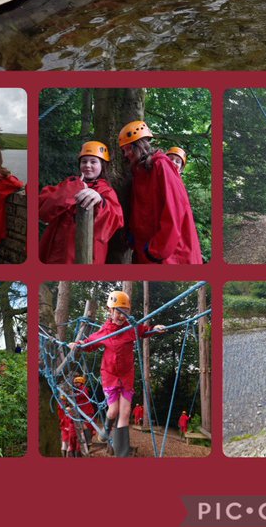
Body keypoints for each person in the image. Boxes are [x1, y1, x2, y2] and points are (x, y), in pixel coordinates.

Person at [70, 290, 165, 458]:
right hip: (110, 375)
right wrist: (77, 344)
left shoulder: (131, 328)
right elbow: (89, 343)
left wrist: (154, 329)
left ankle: (122, 455)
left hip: (127, 375)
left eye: (125, 312)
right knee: (113, 411)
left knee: (126, 412)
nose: (122, 316)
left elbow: (144, 330)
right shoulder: (106, 331)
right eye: (118, 311)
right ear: (110, 311)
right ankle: (106, 429)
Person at [117, 121, 203, 264]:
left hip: (172, 255)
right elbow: (141, 210)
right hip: (148, 251)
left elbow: (175, 210)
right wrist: (133, 234)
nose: (126, 155)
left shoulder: (161, 165)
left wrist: (157, 249)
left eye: (128, 149)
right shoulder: (140, 172)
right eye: (124, 151)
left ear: (139, 147)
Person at [38, 141, 124, 264]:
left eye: (93, 161)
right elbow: (44, 209)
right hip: (55, 252)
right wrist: (73, 188)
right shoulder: (70, 183)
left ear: (102, 165)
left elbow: (116, 219)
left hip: (84, 256)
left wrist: (100, 200)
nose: (87, 165)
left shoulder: (106, 191)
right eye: (84, 161)